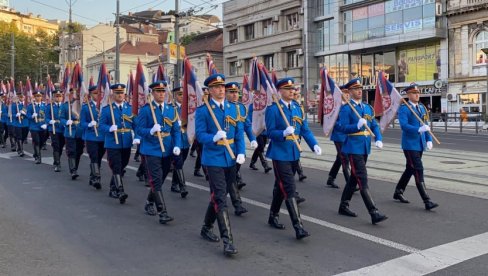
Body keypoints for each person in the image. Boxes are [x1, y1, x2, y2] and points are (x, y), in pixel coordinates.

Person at [265, 77, 322, 239]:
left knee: (280, 187)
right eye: (288, 89)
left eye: (293, 89)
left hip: (294, 153)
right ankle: (298, 227)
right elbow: (270, 132)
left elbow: (305, 130)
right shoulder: (274, 109)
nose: (292, 91)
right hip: (280, 153)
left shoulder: (297, 108)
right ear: (280, 91)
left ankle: (273, 215)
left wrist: (314, 144)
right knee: (289, 188)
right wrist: (282, 133)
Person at [196, 73, 246, 256]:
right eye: (217, 87)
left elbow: (239, 133)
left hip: (231, 158)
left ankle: (206, 227)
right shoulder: (203, 111)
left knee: (219, 195)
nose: (221, 90)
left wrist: (242, 152)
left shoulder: (233, 108)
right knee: (220, 198)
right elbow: (200, 136)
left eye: (223, 87)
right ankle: (228, 241)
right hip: (213, 159)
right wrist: (213, 137)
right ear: (209, 91)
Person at [337, 78, 387, 225]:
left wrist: (378, 138)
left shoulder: (367, 108)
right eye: (356, 89)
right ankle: (373, 212)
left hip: (365, 146)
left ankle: (343, 205)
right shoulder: (346, 109)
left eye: (360, 88)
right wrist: (356, 126)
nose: (359, 91)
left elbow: (374, 125)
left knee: (354, 178)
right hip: (353, 147)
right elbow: (341, 128)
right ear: (350, 92)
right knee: (362, 179)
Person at [136, 81, 182, 223]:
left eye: (163, 91)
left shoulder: (171, 110)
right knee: (156, 179)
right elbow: (139, 130)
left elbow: (176, 131)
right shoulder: (146, 110)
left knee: (160, 179)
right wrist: (150, 131)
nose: (161, 94)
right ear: (153, 93)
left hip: (167, 149)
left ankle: (149, 202)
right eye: (158, 91)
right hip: (151, 149)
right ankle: (162, 212)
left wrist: (177, 145)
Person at [393, 84, 439, 210]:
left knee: (410, 169)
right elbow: (404, 126)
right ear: (408, 95)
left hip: (420, 144)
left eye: (418, 92)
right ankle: (427, 200)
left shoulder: (422, 108)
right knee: (418, 169)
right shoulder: (404, 108)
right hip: (409, 144)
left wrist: (429, 139)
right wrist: (418, 129)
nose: (417, 94)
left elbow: (426, 125)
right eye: (414, 93)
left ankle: (398, 191)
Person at [99, 84, 134, 204]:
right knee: (116, 166)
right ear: (113, 94)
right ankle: (120, 191)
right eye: (117, 93)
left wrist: (137, 137)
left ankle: (112, 188)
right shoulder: (107, 109)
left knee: (122, 165)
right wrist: (109, 128)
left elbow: (136, 124)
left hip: (126, 142)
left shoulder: (130, 109)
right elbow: (101, 126)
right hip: (113, 142)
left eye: (122, 92)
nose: (120, 95)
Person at [80, 85, 105, 189]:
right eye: (95, 93)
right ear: (90, 95)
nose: (98, 95)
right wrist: (89, 124)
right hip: (91, 136)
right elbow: (82, 123)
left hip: (102, 136)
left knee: (99, 157)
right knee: (94, 156)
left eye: (99, 93)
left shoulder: (105, 107)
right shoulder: (86, 107)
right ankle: (96, 178)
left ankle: (92, 175)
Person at [326, 85, 350, 189]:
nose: (347, 95)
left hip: (347, 136)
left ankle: (331, 178)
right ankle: (350, 183)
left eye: (348, 93)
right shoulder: (336, 107)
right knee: (344, 158)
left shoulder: (349, 106)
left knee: (340, 159)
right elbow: (334, 122)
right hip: (339, 136)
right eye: (345, 93)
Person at [60, 89, 85, 180]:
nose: (75, 95)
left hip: (80, 131)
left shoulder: (83, 105)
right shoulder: (66, 106)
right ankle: (73, 170)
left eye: (77, 93)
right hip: (70, 131)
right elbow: (61, 118)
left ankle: (75, 168)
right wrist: (67, 122)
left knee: (79, 151)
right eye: (72, 93)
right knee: (71, 151)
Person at [170, 86, 189, 198]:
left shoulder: (187, 109)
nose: (182, 96)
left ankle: (174, 184)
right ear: (175, 96)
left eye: (183, 94)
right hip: (175, 140)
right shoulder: (171, 108)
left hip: (185, 139)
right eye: (179, 94)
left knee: (181, 162)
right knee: (178, 162)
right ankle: (182, 187)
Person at [45, 88, 65, 172]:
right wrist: (50, 121)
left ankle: (56, 159)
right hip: (53, 129)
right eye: (56, 96)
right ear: (53, 97)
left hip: (63, 129)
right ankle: (57, 163)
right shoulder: (49, 106)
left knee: (61, 146)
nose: (58, 98)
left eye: (59, 96)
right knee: (56, 145)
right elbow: (45, 118)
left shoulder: (65, 106)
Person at [291, 88, 308, 182]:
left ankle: (300, 172)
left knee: (296, 152)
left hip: (298, 135)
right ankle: (300, 172)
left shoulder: (299, 107)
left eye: (298, 94)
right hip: (288, 136)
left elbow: (303, 124)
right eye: (295, 94)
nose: (296, 96)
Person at [27, 89, 47, 164]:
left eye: (39, 96)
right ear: (34, 97)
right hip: (34, 126)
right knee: (37, 141)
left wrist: (46, 124)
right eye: (36, 96)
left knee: (42, 141)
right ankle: (38, 157)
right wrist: (32, 116)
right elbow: (27, 114)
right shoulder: (31, 106)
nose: (38, 98)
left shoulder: (45, 105)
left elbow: (47, 115)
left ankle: (36, 153)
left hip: (42, 126)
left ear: (41, 97)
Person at [12, 91, 29, 157]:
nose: (22, 98)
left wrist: (25, 113)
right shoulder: (15, 105)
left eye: (23, 97)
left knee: (24, 137)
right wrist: (16, 114)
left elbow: (30, 114)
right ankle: (21, 150)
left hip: (25, 124)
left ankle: (19, 146)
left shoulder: (27, 105)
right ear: (18, 98)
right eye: (20, 97)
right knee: (19, 136)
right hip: (18, 123)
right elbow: (12, 114)